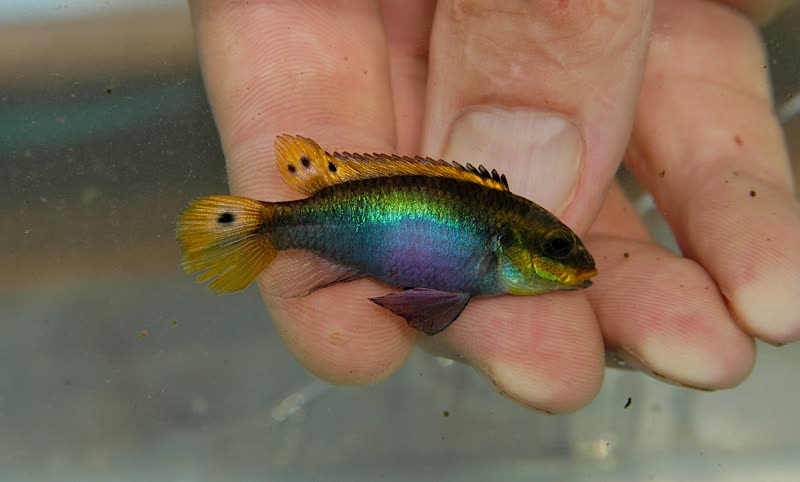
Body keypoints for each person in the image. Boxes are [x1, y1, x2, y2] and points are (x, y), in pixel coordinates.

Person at [188, 0, 800, 413]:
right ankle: (260, 225)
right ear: (516, 244)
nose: (571, 264)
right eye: (557, 249)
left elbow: (432, 304)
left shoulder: (499, 259)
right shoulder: (495, 240)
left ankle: (262, 226)